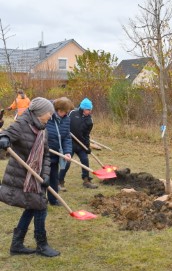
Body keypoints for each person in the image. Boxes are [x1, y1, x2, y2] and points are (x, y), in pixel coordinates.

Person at [0, 97, 60, 257]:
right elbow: (6, 134)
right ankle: (41, 245)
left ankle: (17, 244)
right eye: (49, 113)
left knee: (32, 207)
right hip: (22, 176)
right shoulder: (22, 123)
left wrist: (46, 175)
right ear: (41, 113)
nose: (51, 116)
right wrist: (4, 139)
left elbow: (46, 154)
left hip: (37, 175)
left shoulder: (42, 128)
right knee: (40, 206)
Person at [59, 97, 98, 189]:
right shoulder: (73, 113)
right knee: (67, 162)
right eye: (88, 109)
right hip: (70, 142)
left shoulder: (89, 120)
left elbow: (87, 135)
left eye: (90, 109)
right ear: (83, 108)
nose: (89, 111)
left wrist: (87, 146)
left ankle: (86, 180)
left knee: (85, 160)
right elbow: (63, 121)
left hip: (81, 144)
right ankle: (59, 181)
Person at [46, 97, 74, 203]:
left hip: (56, 153)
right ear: (59, 110)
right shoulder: (47, 117)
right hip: (44, 153)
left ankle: (53, 199)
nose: (66, 114)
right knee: (43, 178)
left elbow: (66, 137)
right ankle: (39, 200)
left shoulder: (66, 119)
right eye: (65, 112)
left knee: (54, 178)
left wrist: (67, 152)